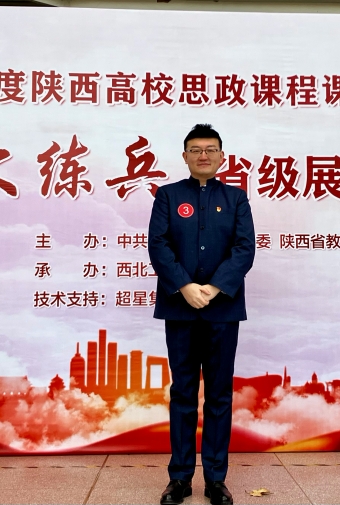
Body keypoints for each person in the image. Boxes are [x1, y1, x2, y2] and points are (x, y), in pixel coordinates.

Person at [148, 124, 255, 505]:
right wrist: (185, 286)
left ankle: (215, 479)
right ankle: (179, 479)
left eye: (210, 149)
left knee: (219, 395)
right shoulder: (168, 195)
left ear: (222, 156)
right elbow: (158, 245)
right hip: (180, 308)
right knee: (183, 393)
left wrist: (214, 288)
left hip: (223, 309)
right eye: (196, 149)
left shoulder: (236, 198)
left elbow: (244, 248)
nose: (203, 155)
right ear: (185, 156)